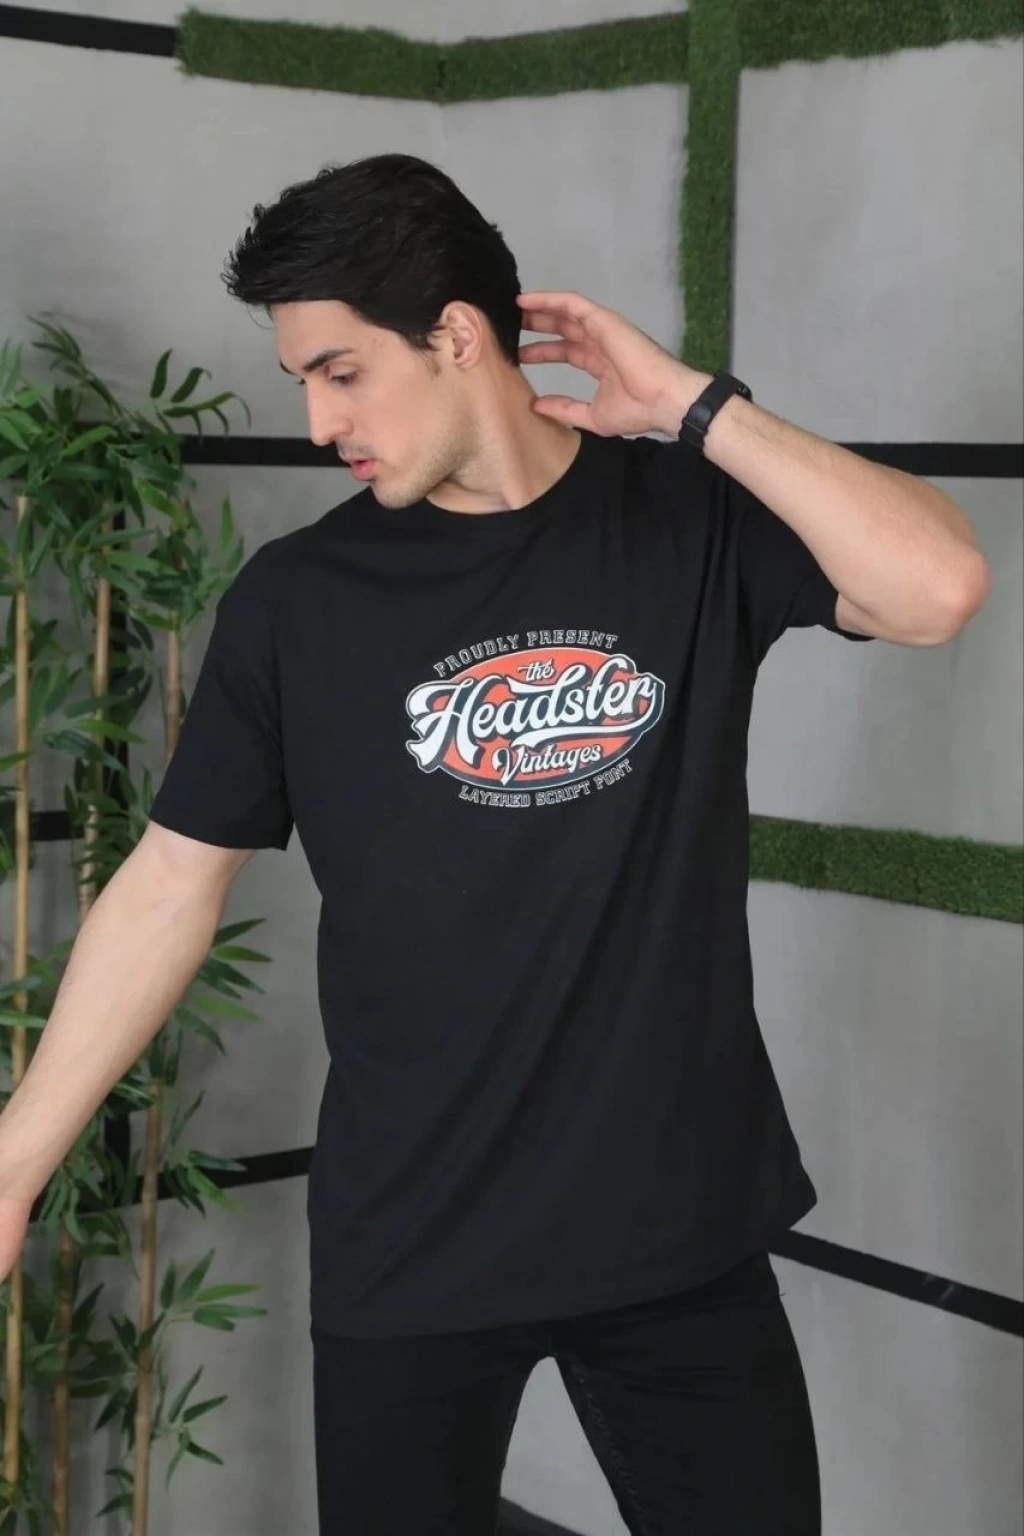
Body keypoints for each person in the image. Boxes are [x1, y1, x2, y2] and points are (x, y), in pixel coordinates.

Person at [0, 153, 990, 1534]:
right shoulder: (298, 602)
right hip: (415, 1239)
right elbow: (171, 880)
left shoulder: (686, 518)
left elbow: (940, 586)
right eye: (303, 380)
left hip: (676, 1230)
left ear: (457, 335)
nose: (317, 421)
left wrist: (695, 410)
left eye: (341, 372)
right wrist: (13, 1164)